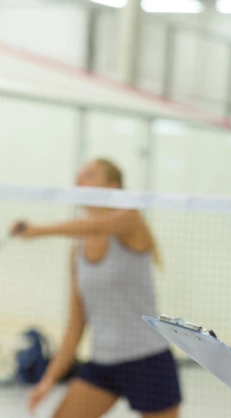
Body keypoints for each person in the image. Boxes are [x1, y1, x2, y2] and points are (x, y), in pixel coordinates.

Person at [12, 159, 181, 418]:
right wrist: (48, 380)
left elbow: (95, 225)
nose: (80, 182)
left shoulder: (131, 219)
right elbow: (76, 324)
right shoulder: (77, 250)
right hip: (102, 363)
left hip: (147, 361)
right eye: (78, 176)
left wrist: (38, 230)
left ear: (112, 186)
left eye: (89, 175)